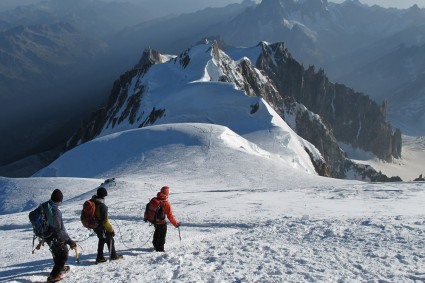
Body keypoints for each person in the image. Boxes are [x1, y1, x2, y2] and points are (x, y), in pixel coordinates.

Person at [45, 189, 77, 283]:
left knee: (56, 252)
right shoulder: (55, 211)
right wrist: (69, 241)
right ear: (59, 200)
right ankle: (53, 276)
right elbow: (59, 230)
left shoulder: (45, 207)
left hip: (46, 235)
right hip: (55, 236)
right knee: (63, 255)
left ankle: (60, 268)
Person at [91, 187, 123, 263]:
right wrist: (111, 230)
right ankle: (112, 256)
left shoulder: (94, 202)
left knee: (102, 239)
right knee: (110, 238)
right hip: (101, 226)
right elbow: (105, 222)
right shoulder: (102, 206)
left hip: (95, 225)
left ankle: (101, 257)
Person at [152, 186, 180, 252]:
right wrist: (175, 224)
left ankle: (155, 245)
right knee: (162, 235)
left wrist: (146, 217)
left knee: (157, 232)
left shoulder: (154, 200)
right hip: (161, 222)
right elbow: (170, 216)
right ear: (166, 193)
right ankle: (160, 249)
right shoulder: (166, 203)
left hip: (154, 221)